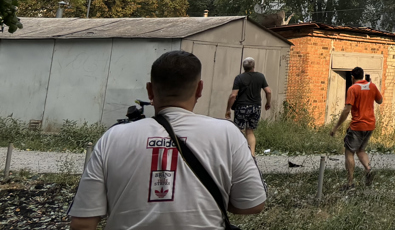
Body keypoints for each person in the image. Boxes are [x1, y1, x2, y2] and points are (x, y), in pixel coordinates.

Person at [67, 50, 267, 230]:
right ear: (199, 89)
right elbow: (253, 204)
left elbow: (83, 222)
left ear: (150, 90)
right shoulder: (227, 134)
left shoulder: (112, 138)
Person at [329, 67, 383, 188]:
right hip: (370, 125)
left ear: (352, 77)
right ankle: (369, 169)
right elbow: (380, 101)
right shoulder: (372, 86)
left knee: (349, 152)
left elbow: (347, 109)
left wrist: (336, 127)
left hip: (357, 125)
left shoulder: (353, 89)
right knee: (361, 150)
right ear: (363, 76)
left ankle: (350, 182)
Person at [225, 57, 272, 156]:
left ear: (243, 67)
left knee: (239, 131)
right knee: (250, 131)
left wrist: (228, 109)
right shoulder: (260, 76)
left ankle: (239, 155)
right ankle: (252, 155)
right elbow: (268, 91)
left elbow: (233, 95)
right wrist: (268, 103)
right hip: (256, 107)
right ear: (253, 66)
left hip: (241, 107)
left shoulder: (239, 78)